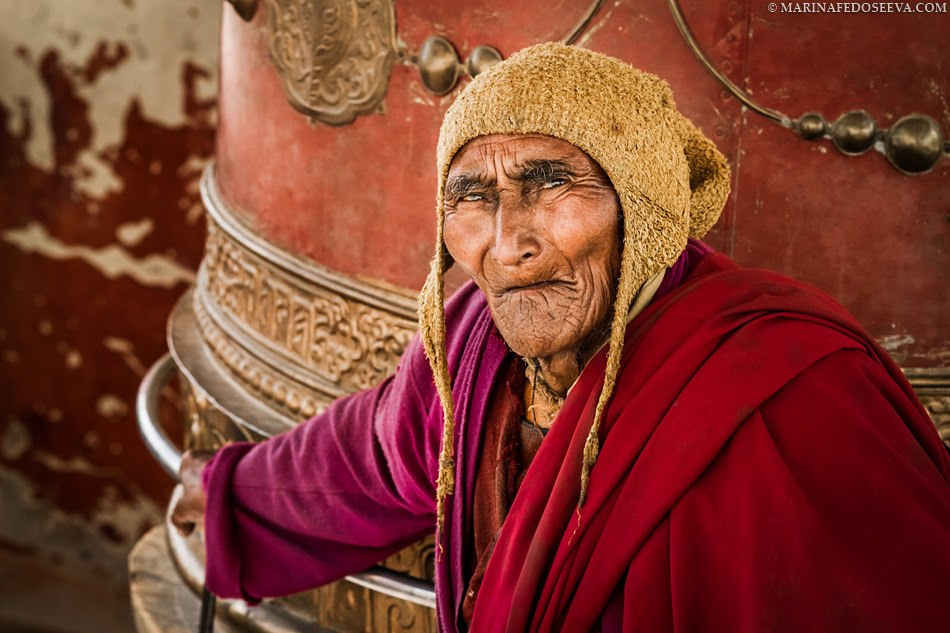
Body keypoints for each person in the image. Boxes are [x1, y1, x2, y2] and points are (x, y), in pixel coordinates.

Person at [172, 43, 950, 632]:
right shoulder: (477, 337)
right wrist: (226, 501)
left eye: (550, 185)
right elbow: (377, 454)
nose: (507, 244)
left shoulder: (796, 386)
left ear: (644, 209)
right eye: (473, 198)